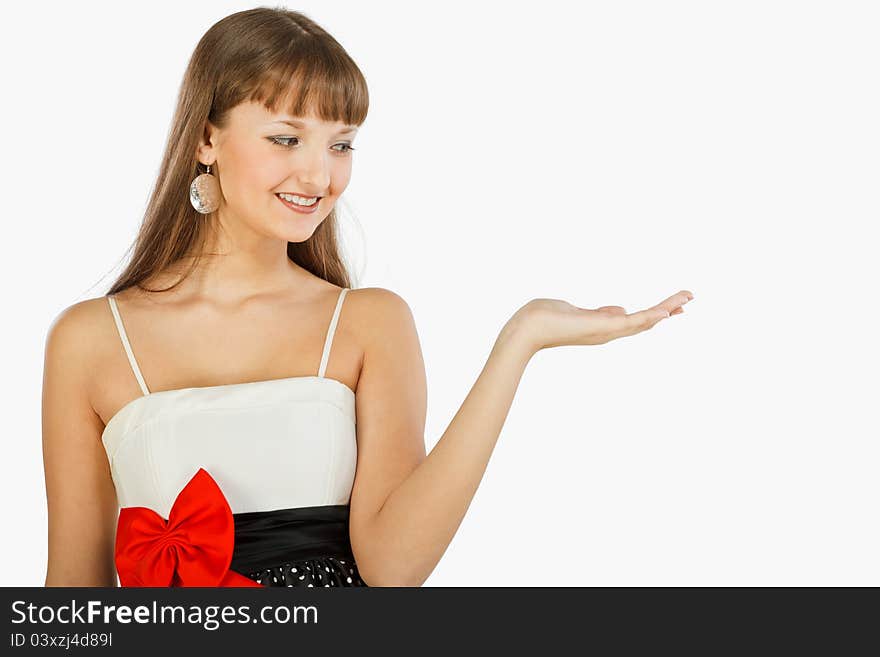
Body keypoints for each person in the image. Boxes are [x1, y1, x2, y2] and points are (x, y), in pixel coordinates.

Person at [41, 7, 693, 588]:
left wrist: (519, 341)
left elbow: (393, 566)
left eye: (341, 143)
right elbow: (73, 592)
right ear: (207, 138)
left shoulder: (369, 324)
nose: (319, 175)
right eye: (286, 138)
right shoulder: (92, 339)